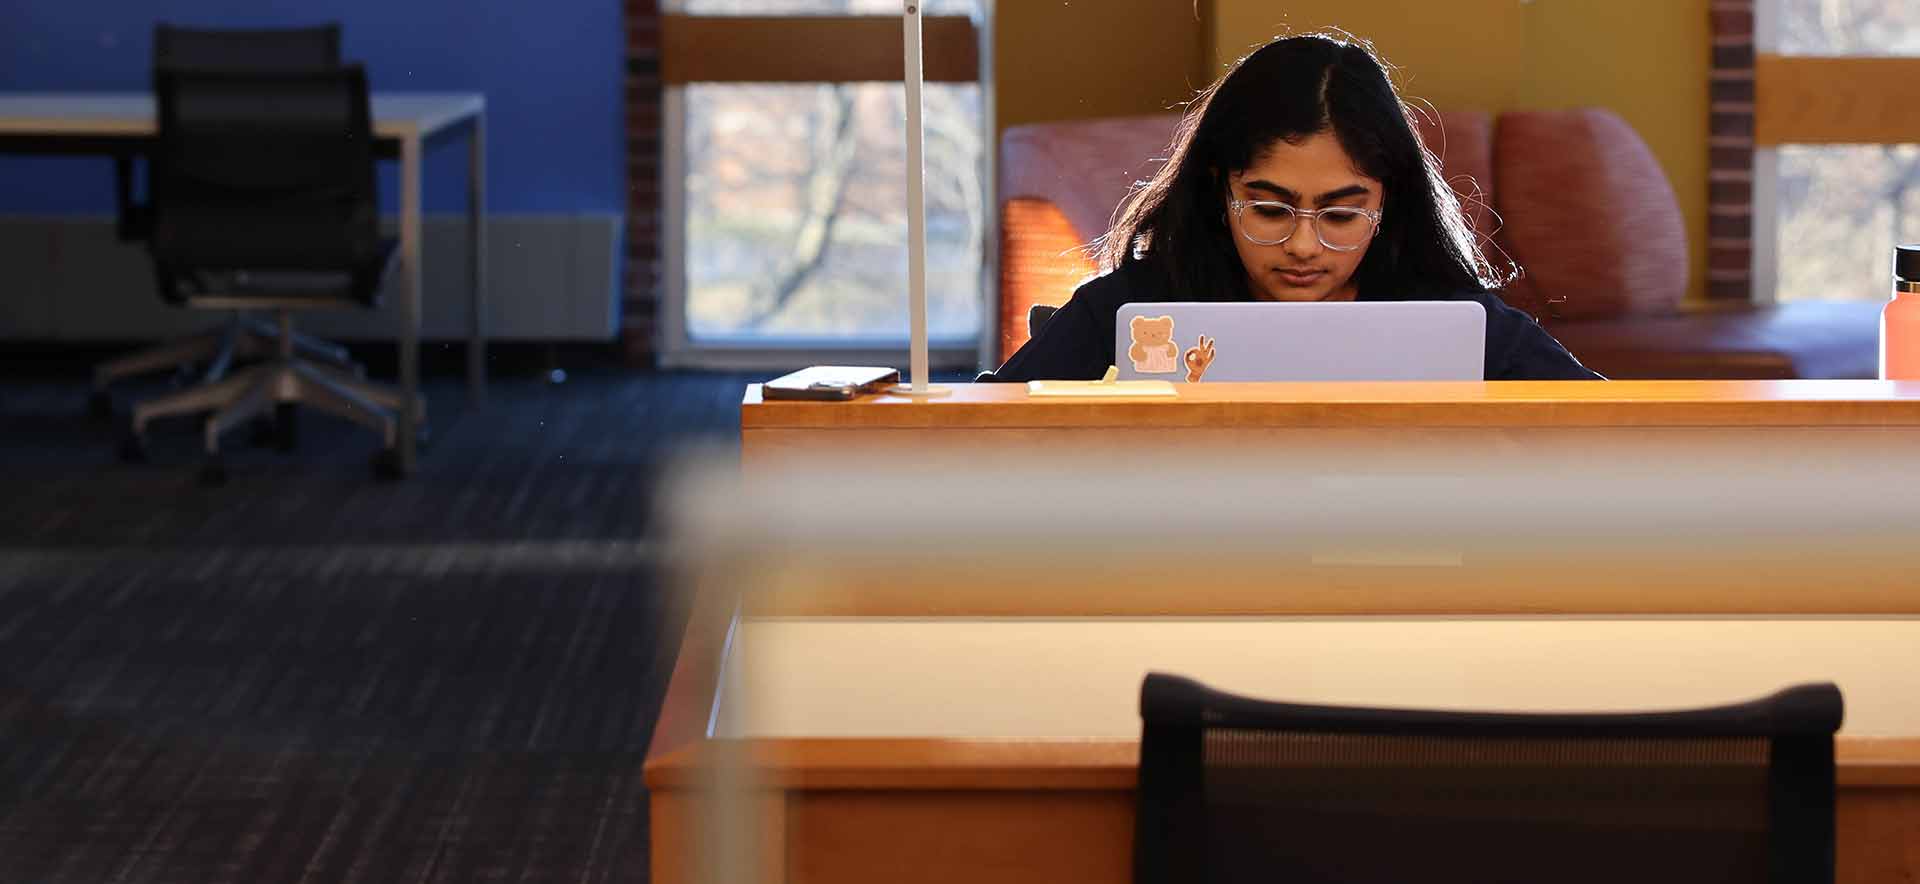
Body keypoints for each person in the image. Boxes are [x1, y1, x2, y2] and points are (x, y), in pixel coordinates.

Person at [981, 32, 1602, 382]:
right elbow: (983, 430)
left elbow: (1620, 430)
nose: (1305, 247)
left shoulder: (1453, 321)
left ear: (1389, 202)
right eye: (1271, 211)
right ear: (1220, 192)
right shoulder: (1135, 310)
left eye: (1340, 215)